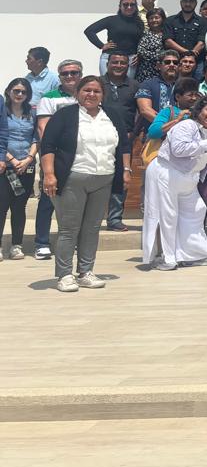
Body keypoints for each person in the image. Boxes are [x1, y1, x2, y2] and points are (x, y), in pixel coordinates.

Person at [38, 76, 131, 292]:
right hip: (73, 179)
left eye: (96, 91)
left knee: (92, 228)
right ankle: (64, 275)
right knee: (69, 229)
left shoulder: (112, 115)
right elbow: (48, 145)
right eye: (87, 90)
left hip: (104, 178)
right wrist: (49, 174)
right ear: (77, 93)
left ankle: (85, 272)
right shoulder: (65, 115)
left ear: (103, 95)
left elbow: (124, 145)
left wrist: (126, 170)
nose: (91, 94)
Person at [141, 96, 207, 270]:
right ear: (199, 111)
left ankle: (195, 254)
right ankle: (168, 258)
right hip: (166, 172)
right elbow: (178, 149)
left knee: (197, 210)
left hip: (188, 179)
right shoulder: (186, 125)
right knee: (167, 216)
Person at [31, 59, 88, 260]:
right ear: (59, 76)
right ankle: (42, 243)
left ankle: (73, 241)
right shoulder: (49, 98)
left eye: (74, 72)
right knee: (48, 199)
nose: (70, 76)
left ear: (81, 74)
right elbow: (43, 129)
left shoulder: (87, 96)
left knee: (76, 202)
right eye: (65, 73)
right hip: (57, 157)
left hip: (83, 157)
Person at [99, 50, 138, 232]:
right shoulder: (97, 84)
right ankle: (93, 218)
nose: (119, 66)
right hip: (98, 138)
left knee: (121, 179)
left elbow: (140, 112)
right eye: (115, 62)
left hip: (125, 140)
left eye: (123, 63)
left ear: (128, 66)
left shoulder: (134, 86)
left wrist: (134, 133)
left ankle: (114, 219)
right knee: (97, 176)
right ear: (107, 64)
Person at [0, 78, 38, 259]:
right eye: (16, 91)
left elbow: (36, 138)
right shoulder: (3, 111)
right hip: (6, 166)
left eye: (24, 92)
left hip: (26, 167)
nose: (20, 94)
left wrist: (29, 159)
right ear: (9, 91)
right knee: (1, 207)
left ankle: (16, 245)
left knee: (19, 207)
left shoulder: (32, 112)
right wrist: (13, 160)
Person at [83, 0, 144, 76]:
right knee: (106, 83)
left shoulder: (139, 23)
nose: (129, 7)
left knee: (128, 84)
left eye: (132, 5)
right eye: (125, 4)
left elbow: (141, 41)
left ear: (136, 6)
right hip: (110, 57)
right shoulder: (111, 20)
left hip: (130, 59)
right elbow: (89, 31)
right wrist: (101, 45)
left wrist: (139, 55)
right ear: (120, 6)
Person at [163, 0, 206, 67]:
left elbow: (202, 43)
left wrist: (190, 56)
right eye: (185, 1)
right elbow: (168, 41)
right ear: (180, 2)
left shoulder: (203, 22)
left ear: (196, 3)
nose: (188, 4)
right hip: (175, 62)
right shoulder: (170, 20)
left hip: (196, 62)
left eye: (191, 1)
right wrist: (187, 52)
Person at [135, 11, 168, 83]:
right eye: (151, 18)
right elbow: (141, 51)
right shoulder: (144, 34)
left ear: (162, 19)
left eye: (156, 18)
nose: (154, 20)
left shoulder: (167, 34)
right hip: (146, 71)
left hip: (164, 71)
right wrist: (161, 57)